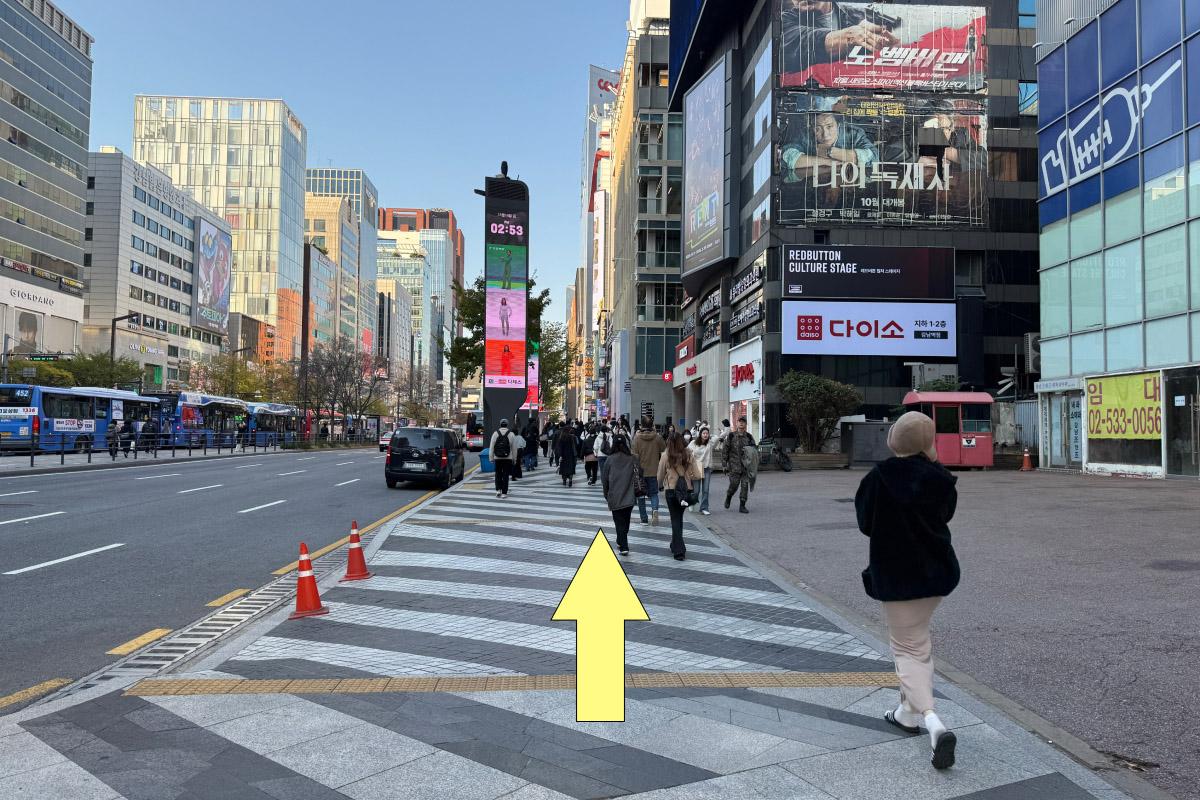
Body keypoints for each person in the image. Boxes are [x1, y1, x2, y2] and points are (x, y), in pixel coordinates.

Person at [855, 411, 960, 770]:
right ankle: (907, 714)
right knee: (920, 645)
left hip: (898, 577)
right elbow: (945, 515)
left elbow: (865, 523)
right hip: (936, 575)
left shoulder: (878, 478)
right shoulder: (940, 478)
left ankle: (933, 722)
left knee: (906, 649)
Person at [657, 433, 702, 561]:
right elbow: (697, 475)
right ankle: (674, 544)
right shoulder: (689, 454)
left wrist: (660, 485)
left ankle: (679, 550)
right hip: (685, 491)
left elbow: (660, 475)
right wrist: (688, 476)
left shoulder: (666, 455)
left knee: (675, 519)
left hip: (671, 491)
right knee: (679, 518)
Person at [601, 435, 639, 556]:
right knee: (626, 520)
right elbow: (639, 473)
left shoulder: (610, 459)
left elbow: (604, 479)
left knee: (618, 521)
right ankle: (621, 540)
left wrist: (606, 494)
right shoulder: (632, 458)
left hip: (615, 495)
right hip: (629, 495)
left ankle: (623, 546)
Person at [632, 417, 666, 525]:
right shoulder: (657, 437)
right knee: (654, 494)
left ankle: (644, 519)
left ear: (641, 425)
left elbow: (634, 456)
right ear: (652, 425)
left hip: (640, 472)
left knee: (641, 495)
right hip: (654, 471)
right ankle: (655, 510)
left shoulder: (637, 438)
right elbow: (664, 450)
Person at [723, 417, 757, 513]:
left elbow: (754, 450)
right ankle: (729, 496)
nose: (741, 423)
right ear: (737, 424)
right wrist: (724, 464)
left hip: (746, 466)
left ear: (746, 424)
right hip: (734, 466)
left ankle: (742, 506)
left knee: (745, 485)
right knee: (734, 485)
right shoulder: (731, 436)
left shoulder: (749, 437)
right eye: (740, 422)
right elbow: (725, 450)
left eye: (743, 422)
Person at [688, 426, 716, 515]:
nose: (705, 435)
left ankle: (704, 508)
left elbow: (718, 438)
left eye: (707, 433)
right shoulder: (693, 443)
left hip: (707, 468)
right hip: (696, 468)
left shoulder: (710, 444)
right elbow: (687, 452)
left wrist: (726, 428)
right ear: (700, 434)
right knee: (696, 491)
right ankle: (692, 502)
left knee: (706, 490)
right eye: (703, 433)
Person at [489, 419, 517, 499]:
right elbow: (514, 448)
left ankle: (498, 490)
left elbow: (491, 447)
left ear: (500, 424)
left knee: (498, 474)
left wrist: (491, 458)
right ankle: (504, 493)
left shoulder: (495, 433)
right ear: (507, 425)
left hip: (497, 458)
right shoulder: (511, 434)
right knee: (505, 475)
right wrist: (514, 459)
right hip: (508, 458)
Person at [556, 422, 579, 487]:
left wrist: (560, 455)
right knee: (570, 468)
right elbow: (575, 446)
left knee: (564, 469)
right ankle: (570, 480)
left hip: (563, 456)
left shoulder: (561, 438)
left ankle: (564, 480)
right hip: (571, 455)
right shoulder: (572, 437)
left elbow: (560, 448)